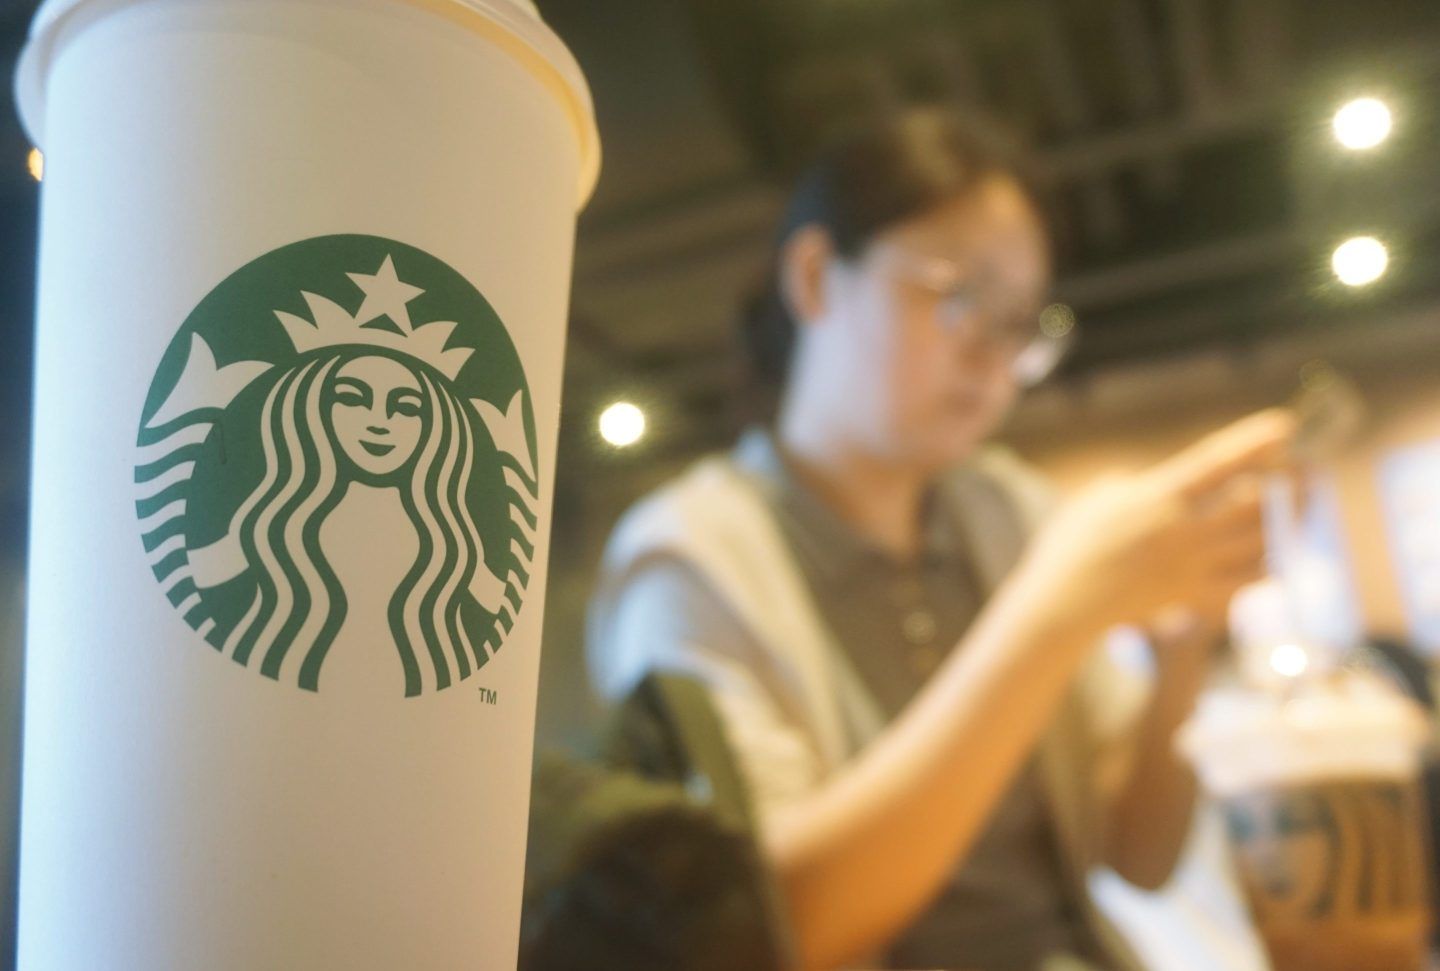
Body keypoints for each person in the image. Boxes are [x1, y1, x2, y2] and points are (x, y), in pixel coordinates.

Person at [587, 107, 1293, 971]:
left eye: (1021, 321)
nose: (996, 356)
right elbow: (770, 930)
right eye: (962, 298)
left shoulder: (1009, 510)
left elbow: (1138, 858)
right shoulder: (691, 557)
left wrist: (1185, 646)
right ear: (814, 278)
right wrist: (1052, 614)